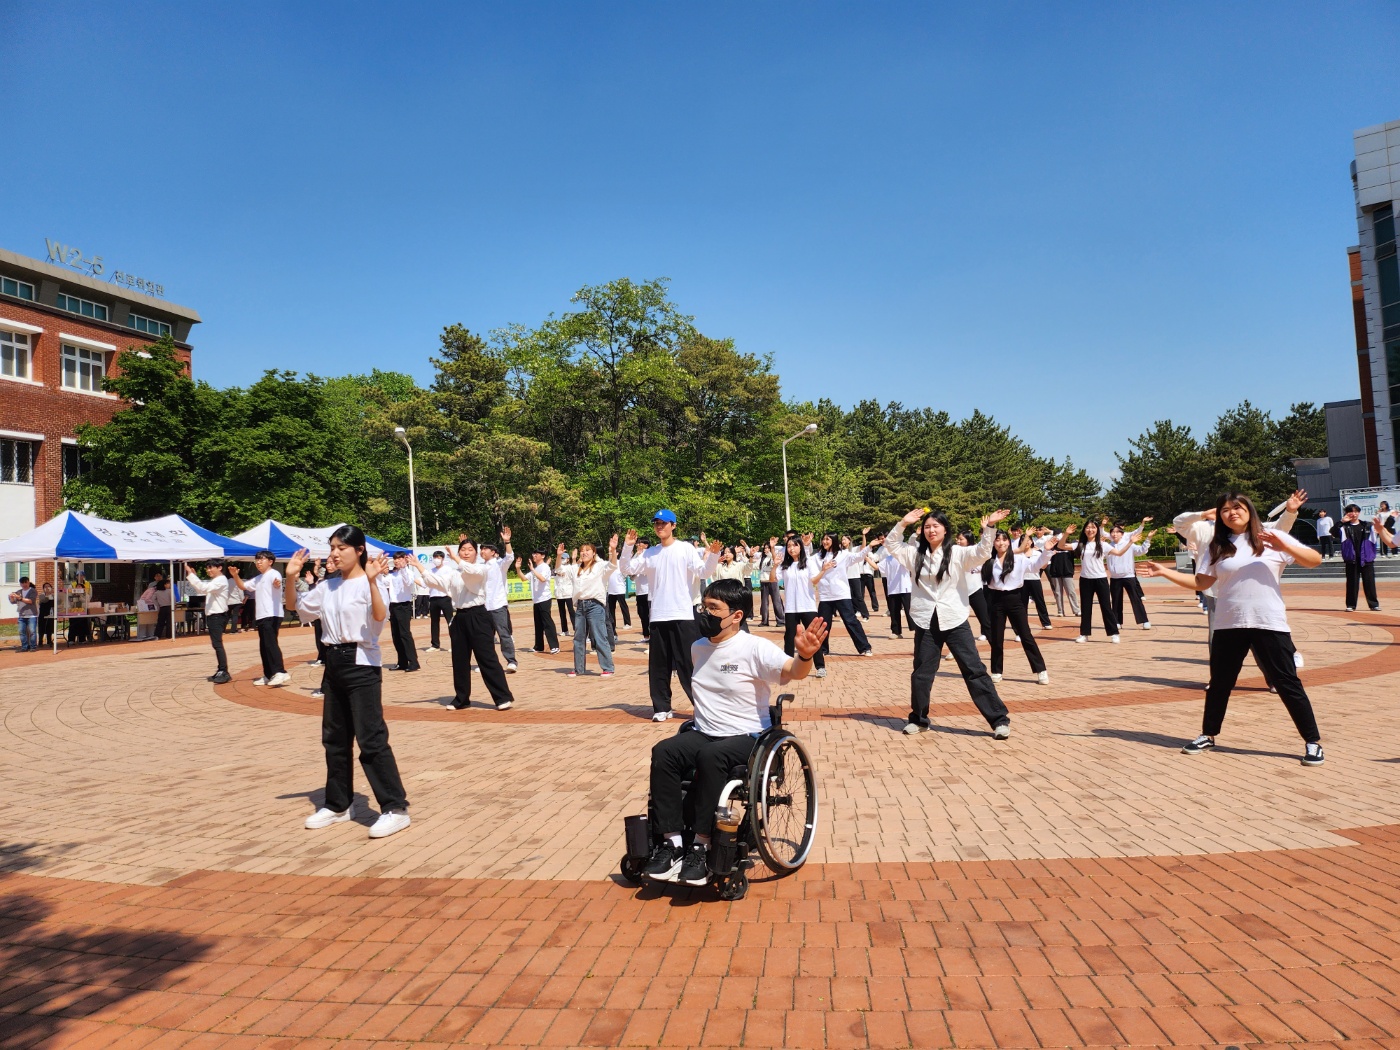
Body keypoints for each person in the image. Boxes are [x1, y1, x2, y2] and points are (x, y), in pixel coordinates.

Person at [643, 578, 826, 884]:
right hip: (704, 731)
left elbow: (793, 672)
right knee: (665, 752)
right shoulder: (698, 648)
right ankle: (671, 844)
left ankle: (701, 844)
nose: (705, 613)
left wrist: (805, 656)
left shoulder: (754, 647)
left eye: (713, 608)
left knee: (711, 756)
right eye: (704, 606)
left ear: (736, 615)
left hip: (748, 736)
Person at [1138, 493, 1325, 766]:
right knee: (1219, 684)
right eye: (1225, 509)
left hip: (1267, 622)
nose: (1231, 513)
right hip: (1229, 623)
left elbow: (1314, 560)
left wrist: (1284, 544)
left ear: (1249, 510)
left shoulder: (1271, 537)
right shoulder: (1218, 545)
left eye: (1237, 507)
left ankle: (1312, 742)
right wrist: (1165, 572)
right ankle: (1208, 734)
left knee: (1287, 683)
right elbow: (1201, 583)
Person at [284, 531, 412, 838]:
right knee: (335, 738)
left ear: (359, 550)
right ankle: (339, 804)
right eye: (332, 548)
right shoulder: (328, 586)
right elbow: (296, 608)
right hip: (333, 661)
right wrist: (290, 578)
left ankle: (395, 808)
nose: (335, 553)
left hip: (362, 662)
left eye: (342, 547)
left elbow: (380, 618)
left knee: (371, 737)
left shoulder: (372, 581)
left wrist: (372, 582)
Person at [883, 507, 1013, 738]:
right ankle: (919, 719)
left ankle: (999, 720)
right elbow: (891, 544)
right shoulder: (914, 554)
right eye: (927, 527)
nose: (931, 530)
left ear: (945, 529)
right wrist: (903, 523)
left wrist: (990, 527)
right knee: (922, 673)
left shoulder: (957, 553)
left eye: (936, 526)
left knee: (974, 670)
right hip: (926, 621)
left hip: (954, 619)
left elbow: (983, 551)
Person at [619, 510, 721, 722]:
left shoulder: (685, 549)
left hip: (682, 614)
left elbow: (703, 572)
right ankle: (662, 707)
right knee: (658, 666)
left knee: (688, 665)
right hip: (658, 616)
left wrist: (713, 556)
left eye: (664, 523)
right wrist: (627, 547)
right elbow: (626, 568)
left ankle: (702, 708)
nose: (659, 526)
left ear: (673, 525)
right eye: (656, 523)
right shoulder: (650, 553)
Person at [425, 537, 515, 710]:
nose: (466, 553)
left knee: (487, 658)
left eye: (470, 549)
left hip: (479, 616)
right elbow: (439, 583)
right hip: (460, 617)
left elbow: (470, 574)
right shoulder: (454, 573)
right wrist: (419, 567)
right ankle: (462, 698)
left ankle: (502, 697)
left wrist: (456, 559)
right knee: (459, 661)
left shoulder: (481, 569)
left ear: (476, 553)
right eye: (463, 549)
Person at [982, 532, 1052, 684]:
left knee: (1026, 636)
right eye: (997, 540)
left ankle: (1041, 670)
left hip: (1015, 599)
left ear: (1009, 542)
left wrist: (1046, 551)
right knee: (997, 638)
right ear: (994, 543)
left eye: (1004, 540)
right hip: (996, 600)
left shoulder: (1018, 559)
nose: (1001, 543)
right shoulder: (989, 561)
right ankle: (996, 671)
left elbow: (1035, 566)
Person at [1050, 520, 1130, 643]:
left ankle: (1114, 633)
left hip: (1100, 579)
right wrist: (1066, 534)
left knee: (1106, 607)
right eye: (1088, 527)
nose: (1090, 530)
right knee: (1086, 607)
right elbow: (1061, 546)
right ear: (1084, 530)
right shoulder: (1080, 544)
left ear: (1097, 530)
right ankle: (1084, 634)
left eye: (1093, 528)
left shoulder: (1103, 545)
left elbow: (1119, 553)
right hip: (1085, 579)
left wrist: (1131, 542)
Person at [228, 550, 292, 687]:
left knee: (270, 644)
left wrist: (276, 584)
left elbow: (277, 582)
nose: (258, 562)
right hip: (262, 615)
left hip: (272, 614)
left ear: (270, 561)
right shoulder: (258, 578)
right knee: (264, 646)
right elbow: (243, 586)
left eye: (261, 559)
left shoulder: (274, 573)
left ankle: (280, 672)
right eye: (257, 560)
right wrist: (235, 575)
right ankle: (269, 674)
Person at [559, 537, 618, 677]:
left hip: (595, 605)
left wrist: (613, 550)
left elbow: (612, 565)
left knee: (599, 636)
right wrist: (558, 555)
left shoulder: (600, 566)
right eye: (582, 551)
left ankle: (608, 667)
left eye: (587, 550)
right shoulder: (576, 568)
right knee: (578, 639)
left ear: (594, 553)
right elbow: (558, 569)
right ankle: (579, 669)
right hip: (580, 606)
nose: (584, 553)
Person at [811, 532, 873, 657]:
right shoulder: (818, 556)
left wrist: (869, 546)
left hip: (841, 594)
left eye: (828, 539)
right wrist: (807, 544)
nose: (825, 542)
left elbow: (859, 556)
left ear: (834, 540)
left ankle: (865, 647)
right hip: (825, 595)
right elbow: (806, 559)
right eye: (823, 539)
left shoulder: (843, 554)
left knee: (851, 621)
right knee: (823, 624)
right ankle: (823, 649)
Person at [779, 534, 828, 679]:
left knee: (813, 636)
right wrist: (775, 565)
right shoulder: (785, 566)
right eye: (789, 546)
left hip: (807, 606)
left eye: (795, 545)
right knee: (789, 638)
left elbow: (814, 580)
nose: (791, 548)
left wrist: (823, 570)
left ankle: (820, 667)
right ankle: (787, 667)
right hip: (791, 608)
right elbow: (773, 579)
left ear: (800, 547)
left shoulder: (808, 563)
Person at [183, 559, 235, 684]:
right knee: (216, 644)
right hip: (214, 616)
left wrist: (191, 574)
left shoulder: (221, 580)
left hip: (217, 616)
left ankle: (224, 671)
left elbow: (203, 588)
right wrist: (193, 576)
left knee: (217, 644)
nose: (208, 570)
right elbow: (201, 590)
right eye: (207, 568)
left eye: (211, 567)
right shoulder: (217, 580)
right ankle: (221, 669)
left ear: (220, 567)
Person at [480, 530, 518, 673]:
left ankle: (511, 661)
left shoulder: (499, 564)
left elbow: (509, 557)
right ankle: (487, 664)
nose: (482, 551)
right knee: (485, 637)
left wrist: (507, 542)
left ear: (493, 552)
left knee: (503, 634)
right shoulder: (480, 567)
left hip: (498, 605)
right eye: (481, 549)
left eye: (485, 549)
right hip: (483, 606)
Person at [1106, 523, 1153, 630]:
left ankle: (1144, 620)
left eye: (1117, 532)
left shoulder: (1129, 544)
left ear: (1122, 534)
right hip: (1115, 578)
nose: (1114, 534)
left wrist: (1148, 539)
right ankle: (1117, 621)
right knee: (1116, 600)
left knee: (1136, 599)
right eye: (1112, 532)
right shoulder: (1107, 546)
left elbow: (1141, 551)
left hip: (1129, 576)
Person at [1334, 503, 1380, 612]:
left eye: (1356, 511)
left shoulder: (1367, 526)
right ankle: (1351, 605)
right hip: (1351, 559)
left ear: (1359, 513)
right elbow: (1333, 533)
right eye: (1350, 511)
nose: (1353, 514)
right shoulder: (1344, 527)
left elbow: (1379, 531)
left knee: (1369, 583)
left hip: (1367, 558)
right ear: (1346, 513)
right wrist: (1341, 522)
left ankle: (1373, 604)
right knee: (1352, 583)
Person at [383, 551, 422, 672]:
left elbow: (408, 582)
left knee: (405, 634)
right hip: (394, 606)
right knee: (396, 635)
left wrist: (404, 568)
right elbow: (383, 582)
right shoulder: (393, 574)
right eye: (395, 559)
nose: (397, 561)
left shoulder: (409, 572)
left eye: (400, 559)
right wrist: (379, 572)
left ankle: (414, 662)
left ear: (405, 560)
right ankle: (402, 662)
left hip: (404, 606)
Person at [957, 529, 991, 641]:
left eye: (961, 539)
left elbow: (984, 550)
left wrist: (987, 530)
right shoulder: (955, 552)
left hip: (975, 590)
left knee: (985, 618)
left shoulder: (975, 551)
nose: (958, 541)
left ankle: (994, 643)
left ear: (968, 540)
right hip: (959, 593)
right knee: (958, 620)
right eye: (957, 539)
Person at [525, 549, 560, 654]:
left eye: (536, 554)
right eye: (533, 553)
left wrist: (532, 569)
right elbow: (523, 578)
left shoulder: (545, 567)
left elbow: (543, 579)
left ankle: (554, 646)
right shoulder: (535, 568)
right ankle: (539, 646)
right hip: (536, 600)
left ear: (543, 556)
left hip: (544, 598)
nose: (534, 555)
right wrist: (518, 568)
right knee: (538, 624)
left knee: (547, 622)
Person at [877, 540, 911, 638]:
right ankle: (896, 632)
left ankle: (917, 630)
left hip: (905, 588)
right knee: (894, 611)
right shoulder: (888, 559)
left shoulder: (903, 557)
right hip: (892, 589)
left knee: (910, 610)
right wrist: (865, 557)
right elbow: (876, 567)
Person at [1044, 530, 1080, 618]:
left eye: (1059, 535)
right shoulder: (1052, 547)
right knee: (1058, 593)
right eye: (1056, 535)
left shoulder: (1069, 546)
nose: (1058, 537)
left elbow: (1078, 554)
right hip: (1055, 572)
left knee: (1071, 592)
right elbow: (1045, 556)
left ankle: (1076, 610)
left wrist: (1078, 543)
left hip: (1067, 572)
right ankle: (1060, 611)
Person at [423, 551, 454, 652]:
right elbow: (425, 582)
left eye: (439, 557)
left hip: (445, 597)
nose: (437, 559)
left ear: (443, 559)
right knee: (434, 622)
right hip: (433, 598)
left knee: (450, 621)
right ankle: (435, 645)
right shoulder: (431, 571)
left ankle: (455, 644)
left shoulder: (448, 569)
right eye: (435, 557)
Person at [841, 532, 870, 620]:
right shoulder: (840, 552)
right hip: (845, 577)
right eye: (842, 540)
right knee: (849, 597)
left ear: (849, 541)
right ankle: (853, 613)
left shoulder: (854, 549)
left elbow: (863, 546)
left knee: (858, 596)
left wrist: (863, 535)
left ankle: (865, 615)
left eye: (845, 539)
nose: (843, 541)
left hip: (855, 576)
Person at [757, 538, 785, 627]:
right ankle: (764, 621)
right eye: (765, 548)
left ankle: (781, 620)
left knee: (776, 601)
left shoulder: (773, 557)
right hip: (763, 582)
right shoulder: (763, 558)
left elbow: (774, 558)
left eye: (767, 548)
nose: (766, 550)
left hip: (772, 582)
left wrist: (772, 549)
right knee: (764, 603)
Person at [628, 539, 652, 641]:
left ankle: (653, 636)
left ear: (646, 545)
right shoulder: (637, 556)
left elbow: (643, 569)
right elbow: (630, 571)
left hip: (648, 591)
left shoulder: (648, 556)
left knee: (650, 615)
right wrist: (636, 555)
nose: (637, 545)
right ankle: (646, 636)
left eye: (640, 543)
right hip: (640, 592)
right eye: (637, 543)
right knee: (642, 614)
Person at [606, 554, 633, 642]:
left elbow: (625, 573)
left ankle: (627, 623)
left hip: (620, 589)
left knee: (623, 606)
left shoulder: (620, 563)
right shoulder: (607, 564)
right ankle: (612, 624)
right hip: (610, 590)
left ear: (616, 554)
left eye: (611, 553)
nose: (610, 554)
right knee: (611, 610)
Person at [9, 576, 37, 652]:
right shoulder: (19, 592)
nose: (24, 584)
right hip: (22, 615)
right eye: (22, 583)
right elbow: (13, 602)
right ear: (20, 584)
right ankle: (24, 647)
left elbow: (31, 601)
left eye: (25, 582)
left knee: (32, 631)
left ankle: (33, 647)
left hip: (32, 615)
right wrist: (11, 597)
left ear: (28, 582)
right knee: (22, 631)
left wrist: (20, 598)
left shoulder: (33, 591)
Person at [553, 552, 575, 638]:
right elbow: (556, 570)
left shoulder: (570, 568)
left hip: (568, 593)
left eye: (563, 558)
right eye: (561, 558)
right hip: (560, 593)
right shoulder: (558, 567)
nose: (562, 560)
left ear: (568, 559)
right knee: (562, 612)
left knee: (571, 611)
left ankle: (576, 629)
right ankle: (564, 630)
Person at [38, 582, 54, 649]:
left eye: (48, 586)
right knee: (42, 627)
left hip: (50, 613)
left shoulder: (53, 596)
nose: (47, 588)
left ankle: (49, 640)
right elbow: (44, 600)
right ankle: (40, 641)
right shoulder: (42, 595)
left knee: (49, 627)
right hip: (42, 613)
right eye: (45, 587)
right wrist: (48, 595)